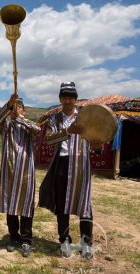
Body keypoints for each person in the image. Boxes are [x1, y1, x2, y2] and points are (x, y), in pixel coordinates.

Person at [39, 82, 102, 259]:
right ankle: (64, 240)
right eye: (64, 97)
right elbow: (49, 140)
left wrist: (97, 146)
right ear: (60, 99)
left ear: (75, 99)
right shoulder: (54, 119)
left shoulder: (86, 116)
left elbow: (96, 139)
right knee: (62, 204)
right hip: (62, 163)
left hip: (81, 164)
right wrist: (68, 131)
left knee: (84, 204)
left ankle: (86, 242)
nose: (67, 100)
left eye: (71, 97)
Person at [0, 94, 40, 257]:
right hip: (9, 170)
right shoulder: (5, 125)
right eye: (14, 107)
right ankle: (14, 237)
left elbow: (38, 130)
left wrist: (19, 119)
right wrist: (9, 104)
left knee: (26, 205)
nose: (15, 109)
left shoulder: (27, 124)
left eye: (18, 107)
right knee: (11, 203)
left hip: (26, 171)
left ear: (24, 111)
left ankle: (27, 239)